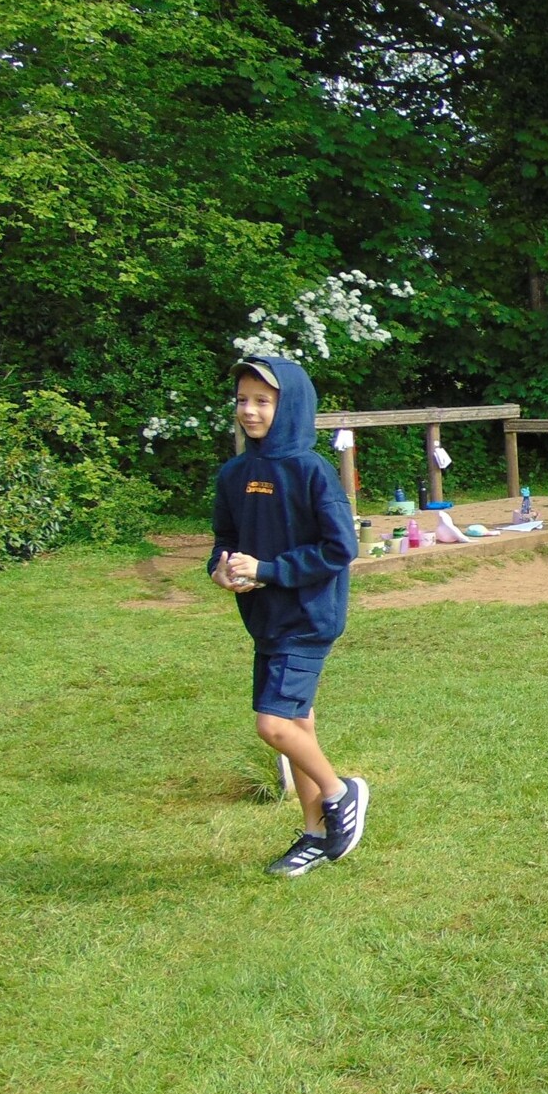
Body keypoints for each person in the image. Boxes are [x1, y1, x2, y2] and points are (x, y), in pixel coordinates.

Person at [210, 357, 370, 878]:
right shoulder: (235, 475)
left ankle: (339, 792)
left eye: (263, 400)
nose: (250, 411)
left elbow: (338, 548)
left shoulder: (311, 470)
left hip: (308, 617)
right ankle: (315, 834)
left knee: (273, 724)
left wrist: (271, 569)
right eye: (242, 399)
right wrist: (222, 568)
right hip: (265, 618)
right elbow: (225, 540)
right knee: (297, 720)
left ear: (291, 406)